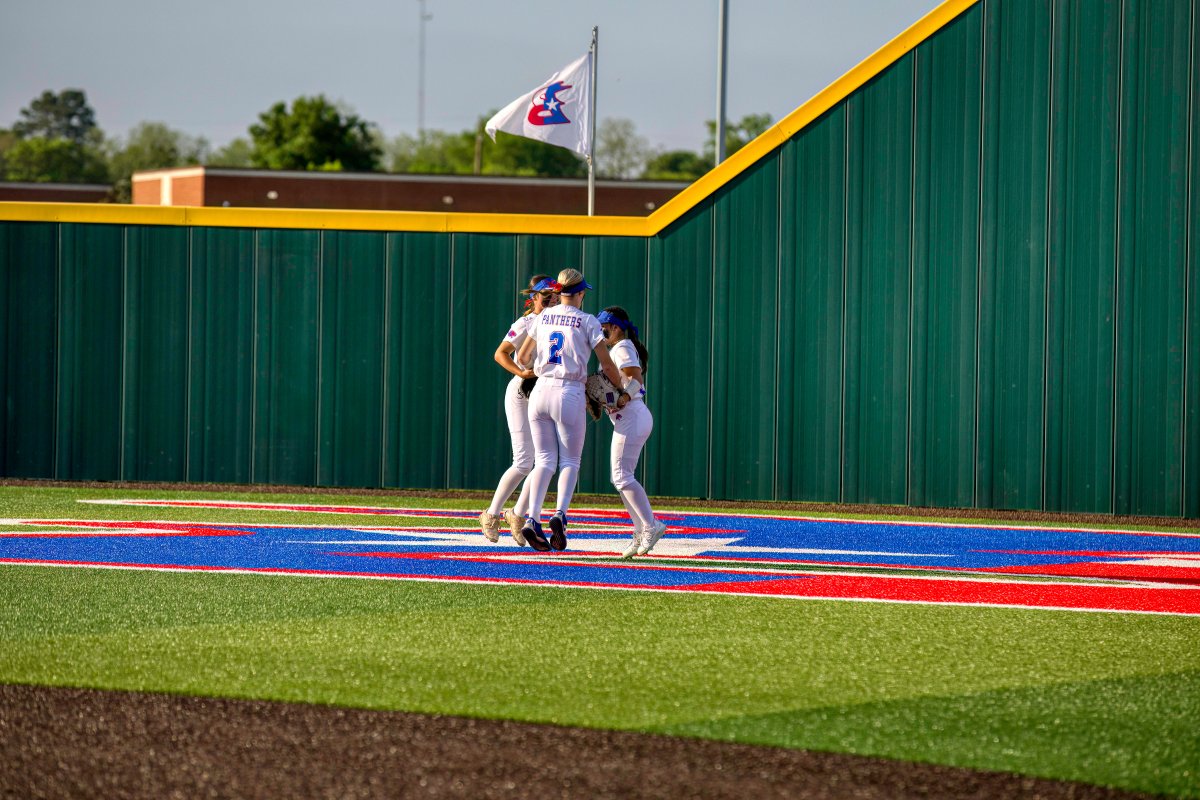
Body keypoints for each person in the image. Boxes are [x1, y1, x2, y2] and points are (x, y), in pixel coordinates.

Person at [514, 268, 625, 552]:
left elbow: (522, 356)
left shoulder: (543, 317)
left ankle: (532, 518)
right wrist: (622, 388)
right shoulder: (588, 321)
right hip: (569, 390)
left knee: (543, 461)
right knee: (570, 461)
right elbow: (607, 365)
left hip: (541, 389)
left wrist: (538, 369)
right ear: (579, 293)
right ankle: (560, 514)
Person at [478, 275, 560, 545]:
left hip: (544, 391)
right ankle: (491, 514)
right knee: (524, 461)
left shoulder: (559, 321)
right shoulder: (526, 323)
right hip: (522, 391)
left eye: (555, 294)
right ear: (533, 297)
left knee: (544, 461)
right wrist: (521, 372)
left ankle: (517, 513)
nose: (551, 299)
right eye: (545, 295)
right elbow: (500, 353)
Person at [596, 306, 667, 558]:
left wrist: (624, 396)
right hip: (629, 417)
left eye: (604, 327)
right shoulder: (618, 347)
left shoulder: (622, 347)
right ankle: (640, 530)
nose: (601, 332)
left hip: (632, 415)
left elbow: (636, 379)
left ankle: (650, 525)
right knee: (620, 478)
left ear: (616, 327)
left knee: (621, 476)